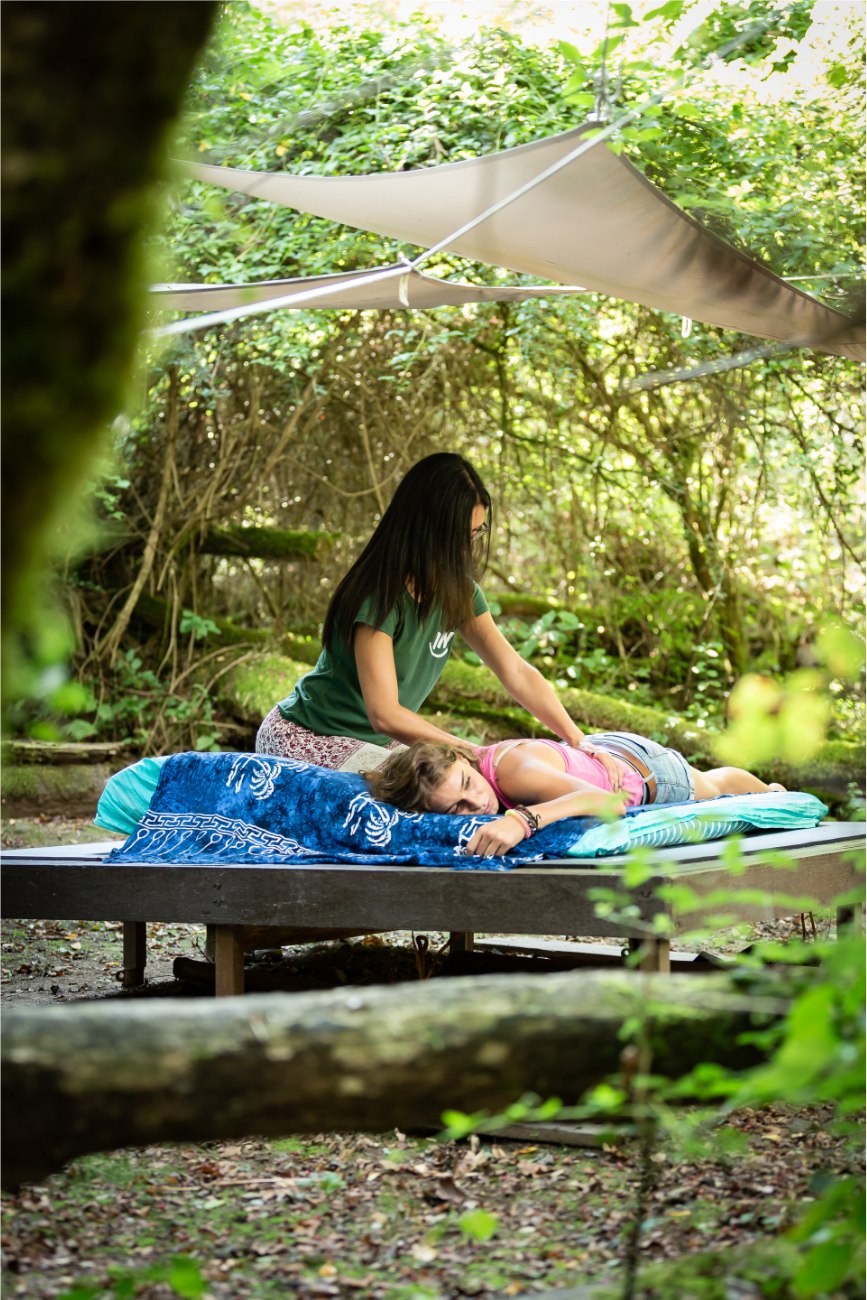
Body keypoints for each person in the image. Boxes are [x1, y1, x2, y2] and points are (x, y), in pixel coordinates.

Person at [257, 453, 618, 780]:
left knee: (473, 784)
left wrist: (577, 738)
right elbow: (384, 714)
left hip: (379, 744)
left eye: (476, 533)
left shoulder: (458, 593)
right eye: (458, 536)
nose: (467, 547)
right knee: (445, 788)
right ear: (425, 529)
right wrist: (471, 751)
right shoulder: (377, 597)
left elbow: (516, 671)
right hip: (307, 736)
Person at [364, 732, 786, 857]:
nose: (476, 805)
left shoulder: (513, 773)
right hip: (586, 762)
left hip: (644, 773)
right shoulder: (468, 781)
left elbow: (609, 804)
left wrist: (523, 819)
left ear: (464, 759)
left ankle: (771, 790)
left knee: (713, 785)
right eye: (455, 808)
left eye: (468, 786)